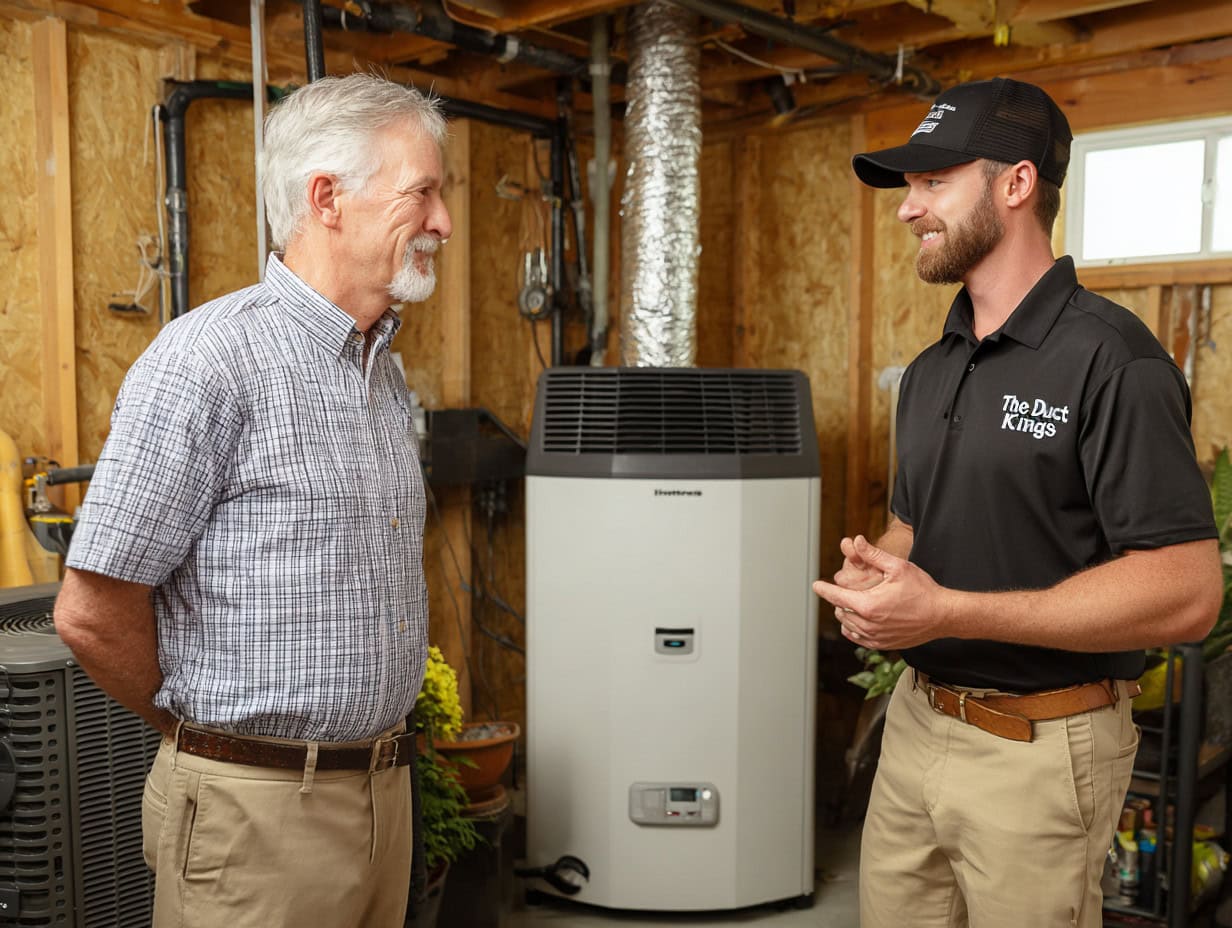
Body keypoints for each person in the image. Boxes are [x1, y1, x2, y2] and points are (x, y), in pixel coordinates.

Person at [815, 77, 1223, 928]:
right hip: (917, 726)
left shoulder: (1116, 363)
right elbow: (917, 524)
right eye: (907, 186)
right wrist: (881, 577)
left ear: (1015, 184)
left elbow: (1187, 594)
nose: (906, 208)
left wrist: (948, 608)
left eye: (932, 181)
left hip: (1042, 752)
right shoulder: (931, 371)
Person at [53, 72, 451, 928]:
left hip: (383, 799)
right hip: (255, 816)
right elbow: (91, 610)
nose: (443, 221)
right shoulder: (207, 360)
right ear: (327, 198)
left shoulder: (383, 372)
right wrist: (205, 740)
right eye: (423, 192)